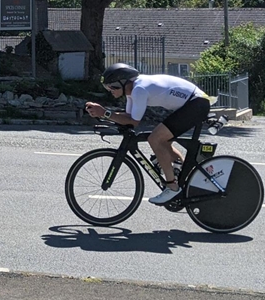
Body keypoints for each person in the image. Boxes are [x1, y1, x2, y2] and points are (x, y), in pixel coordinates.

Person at [85, 63, 213, 205]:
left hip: (196, 104)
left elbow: (133, 122)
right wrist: (104, 114)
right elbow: (128, 117)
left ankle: (172, 187)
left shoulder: (139, 89)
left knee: (155, 139)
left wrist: (104, 113)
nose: (110, 90)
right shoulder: (132, 91)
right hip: (194, 103)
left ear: (124, 82)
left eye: (113, 86)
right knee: (162, 140)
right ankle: (182, 173)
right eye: (107, 88)